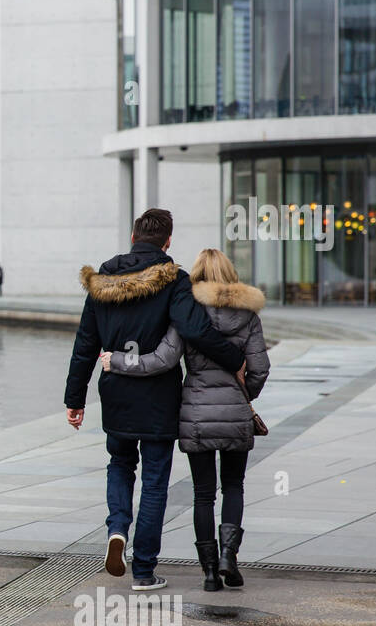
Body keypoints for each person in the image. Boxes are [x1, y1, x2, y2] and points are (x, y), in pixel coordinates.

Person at [63, 208, 246, 592]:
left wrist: (74, 398)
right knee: (155, 482)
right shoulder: (175, 281)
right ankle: (144, 570)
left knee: (119, 462)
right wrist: (235, 360)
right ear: (167, 242)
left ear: (132, 237)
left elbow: (85, 342)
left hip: (114, 393)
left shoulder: (102, 280)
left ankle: (117, 530)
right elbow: (194, 330)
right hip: (159, 397)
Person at [100, 248, 270, 592]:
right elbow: (261, 368)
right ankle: (229, 559)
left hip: (194, 413)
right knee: (234, 486)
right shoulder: (249, 315)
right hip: (235, 414)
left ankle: (208, 573)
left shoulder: (189, 314)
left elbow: (162, 360)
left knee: (203, 494)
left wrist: (116, 361)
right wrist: (244, 396)